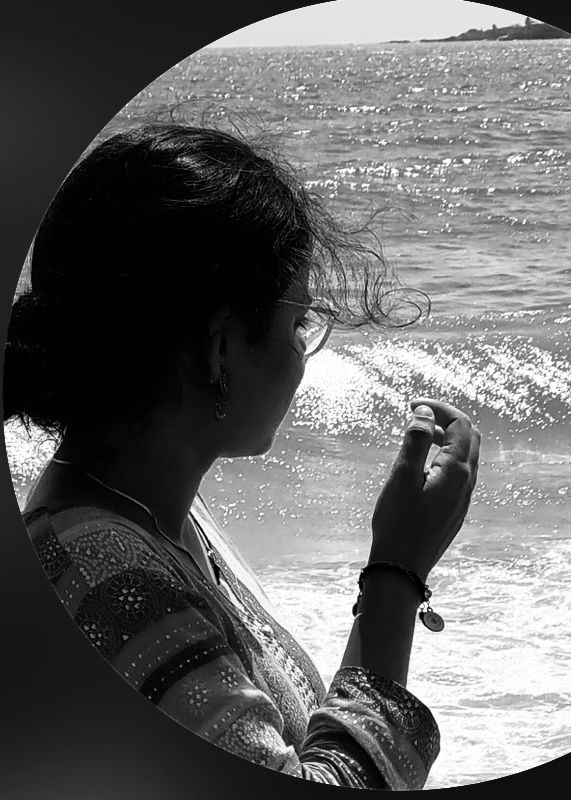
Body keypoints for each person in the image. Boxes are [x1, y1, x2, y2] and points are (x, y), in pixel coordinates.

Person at [3, 123, 480, 790]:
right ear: (221, 349)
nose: (304, 353)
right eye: (298, 324)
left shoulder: (156, 516)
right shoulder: (104, 574)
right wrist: (396, 574)